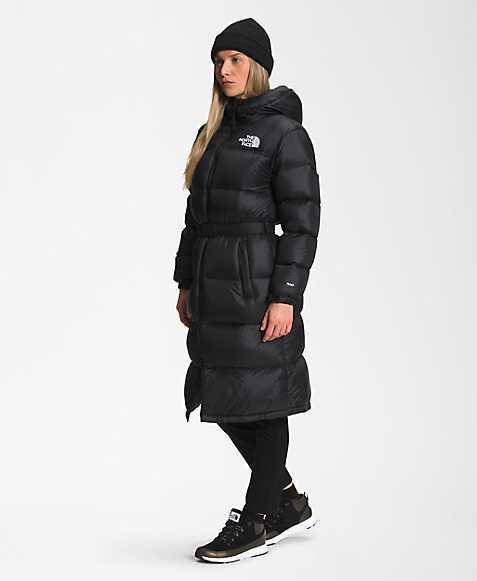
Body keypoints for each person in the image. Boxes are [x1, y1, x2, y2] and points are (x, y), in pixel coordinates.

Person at [173, 17, 321, 563]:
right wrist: (185, 281)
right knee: (225, 396)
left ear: (257, 66)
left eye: (235, 60)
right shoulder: (210, 132)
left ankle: (257, 519)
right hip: (213, 289)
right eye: (219, 60)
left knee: (265, 400)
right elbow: (194, 219)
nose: (224, 69)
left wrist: (286, 295)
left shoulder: (284, 133)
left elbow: (302, 222)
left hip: (257, 286)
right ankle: (286, 501)